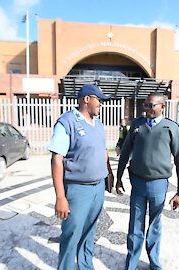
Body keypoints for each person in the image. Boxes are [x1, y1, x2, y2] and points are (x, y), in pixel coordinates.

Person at [116, 92, 179, 270]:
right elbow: (125, 152)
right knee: (135, 225)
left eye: (151, 105)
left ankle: (154, 262)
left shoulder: (171, 128)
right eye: (145, 105)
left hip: (158, 184)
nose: (146, 109)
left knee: (155, 226)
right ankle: (131, 263)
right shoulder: (136, 125)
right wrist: (118, 178)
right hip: (138, 183)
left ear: (162, 107)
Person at [48, 84, 112, 270]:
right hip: (77, 189)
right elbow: (57, 160)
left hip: (98, 187)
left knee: (89, 231)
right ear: (87, 99)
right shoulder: (66, 122)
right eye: (99, 100)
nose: (101, 104)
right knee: (71, 233)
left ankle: (85, 266)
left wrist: (109, 175)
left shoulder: (98, 123)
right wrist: (60, 197)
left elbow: (103, 150)